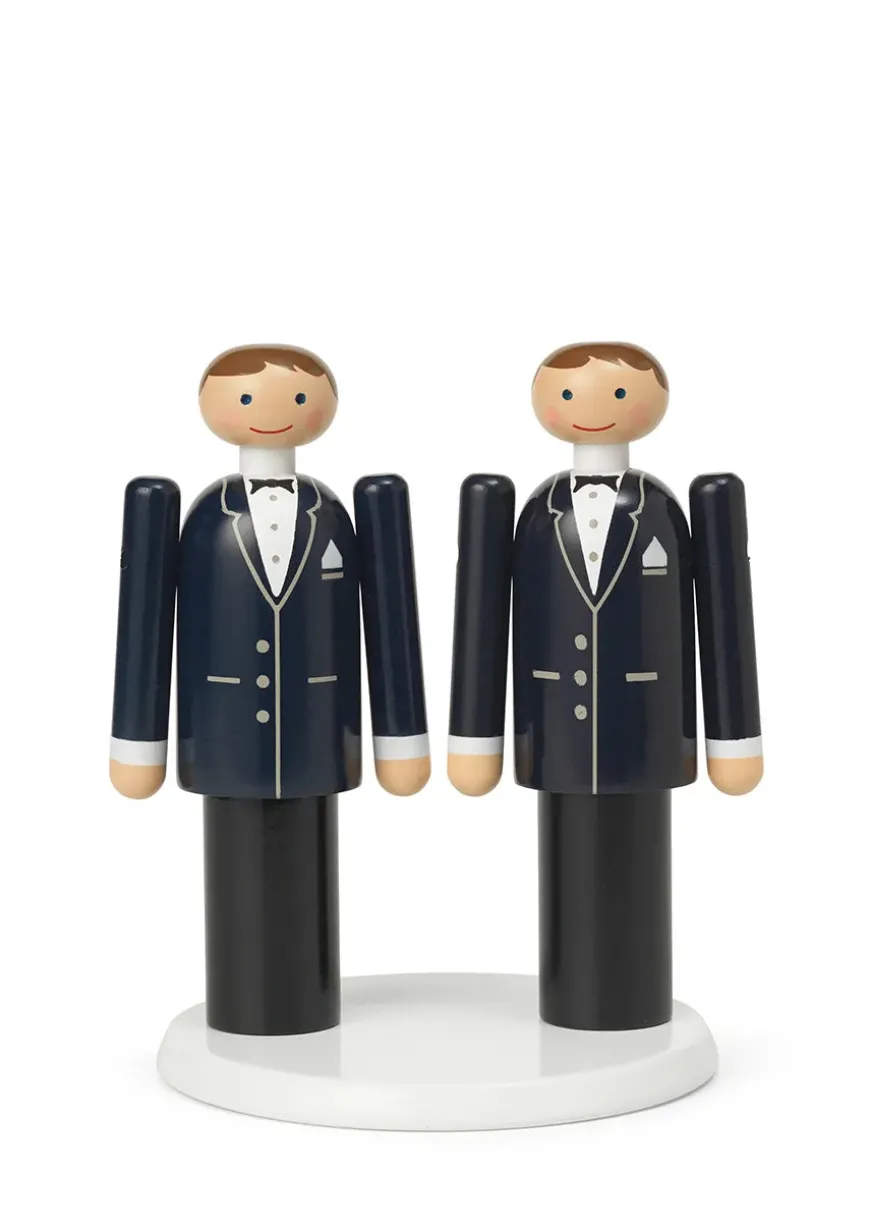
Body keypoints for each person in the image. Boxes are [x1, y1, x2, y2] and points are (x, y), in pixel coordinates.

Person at [111, 344, 429, 1035]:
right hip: (224, 738)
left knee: (305, 875)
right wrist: (137, 744)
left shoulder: (336, 515)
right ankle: (248, 1018)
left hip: (319, 732)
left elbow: (389, 618)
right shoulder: (201, 518)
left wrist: (400, 740)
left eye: (293, 398)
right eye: (248, 399)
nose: (270, 413)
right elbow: (145, 622)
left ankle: (303, 1009)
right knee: (238, 890)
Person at [448, 341, 762, 1030]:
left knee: (634, 879)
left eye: (619, 393)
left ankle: (628, 1015)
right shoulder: (534, 512)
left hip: (646, 729)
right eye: (568, 394)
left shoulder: (666, 511)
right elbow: (484, 615)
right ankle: (575, 1011)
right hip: (553, 729)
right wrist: (475, 739)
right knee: (570, 873)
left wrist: (734, 739)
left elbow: (723, 616)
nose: (592, 408)